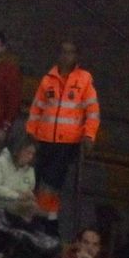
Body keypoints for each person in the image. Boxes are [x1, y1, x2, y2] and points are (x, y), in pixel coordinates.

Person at [25, 40, 99, 223]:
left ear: (76, 56)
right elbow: (37, 108)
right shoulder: (47, 79)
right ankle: (34, 214)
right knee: (35, 178)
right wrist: (31, 131)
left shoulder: (84, 79)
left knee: (52, 181)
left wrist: (89, 135)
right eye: (63, 51)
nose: (66, 56)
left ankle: (43, 218)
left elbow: (92, 111)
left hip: (67, 142)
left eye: (70, 52)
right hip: (44, 139)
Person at [0, 138, 38, 221]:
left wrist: (29, 195)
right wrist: (16, 195)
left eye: (32, 154)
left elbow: (30, 188)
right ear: (17, 150)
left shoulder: (30, 170)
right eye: (28, 152)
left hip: (20, 207)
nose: (30, 157)